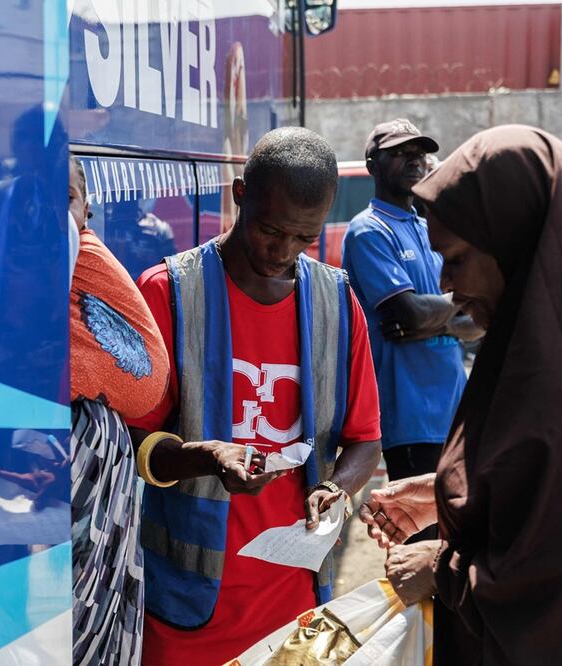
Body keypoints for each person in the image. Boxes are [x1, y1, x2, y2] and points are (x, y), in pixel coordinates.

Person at [359, 125, 562, 664]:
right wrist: (452, 492)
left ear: (516, 244)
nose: (447, 285)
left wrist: (441, 569)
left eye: (456, 259)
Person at [127, 127, 383, 664]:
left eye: (304, 237)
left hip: (295, 601)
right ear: (240, 194)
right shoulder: (169, 291)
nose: (283, 251)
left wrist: (336, 488)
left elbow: (365, 440)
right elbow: (132, 442)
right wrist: (206, 457)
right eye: (271, 230)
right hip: (184, 604)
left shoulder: (338, 303)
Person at [342, 119, 481, 511]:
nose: (414, 160)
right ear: (373, 165)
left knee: (457, 525)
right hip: (409, 414)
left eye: (419, 153)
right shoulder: (369, 230)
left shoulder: (427, 226)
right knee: (421, 531)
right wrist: (458, 304)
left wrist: (438, 321)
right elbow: (411, 313)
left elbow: (479, 321)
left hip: (454, 408)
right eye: (400, 153)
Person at [67, 157, 169, 665]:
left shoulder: (87, 258)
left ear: (87, 208)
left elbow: (144, 378)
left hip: (98, 462)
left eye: (66, 198)